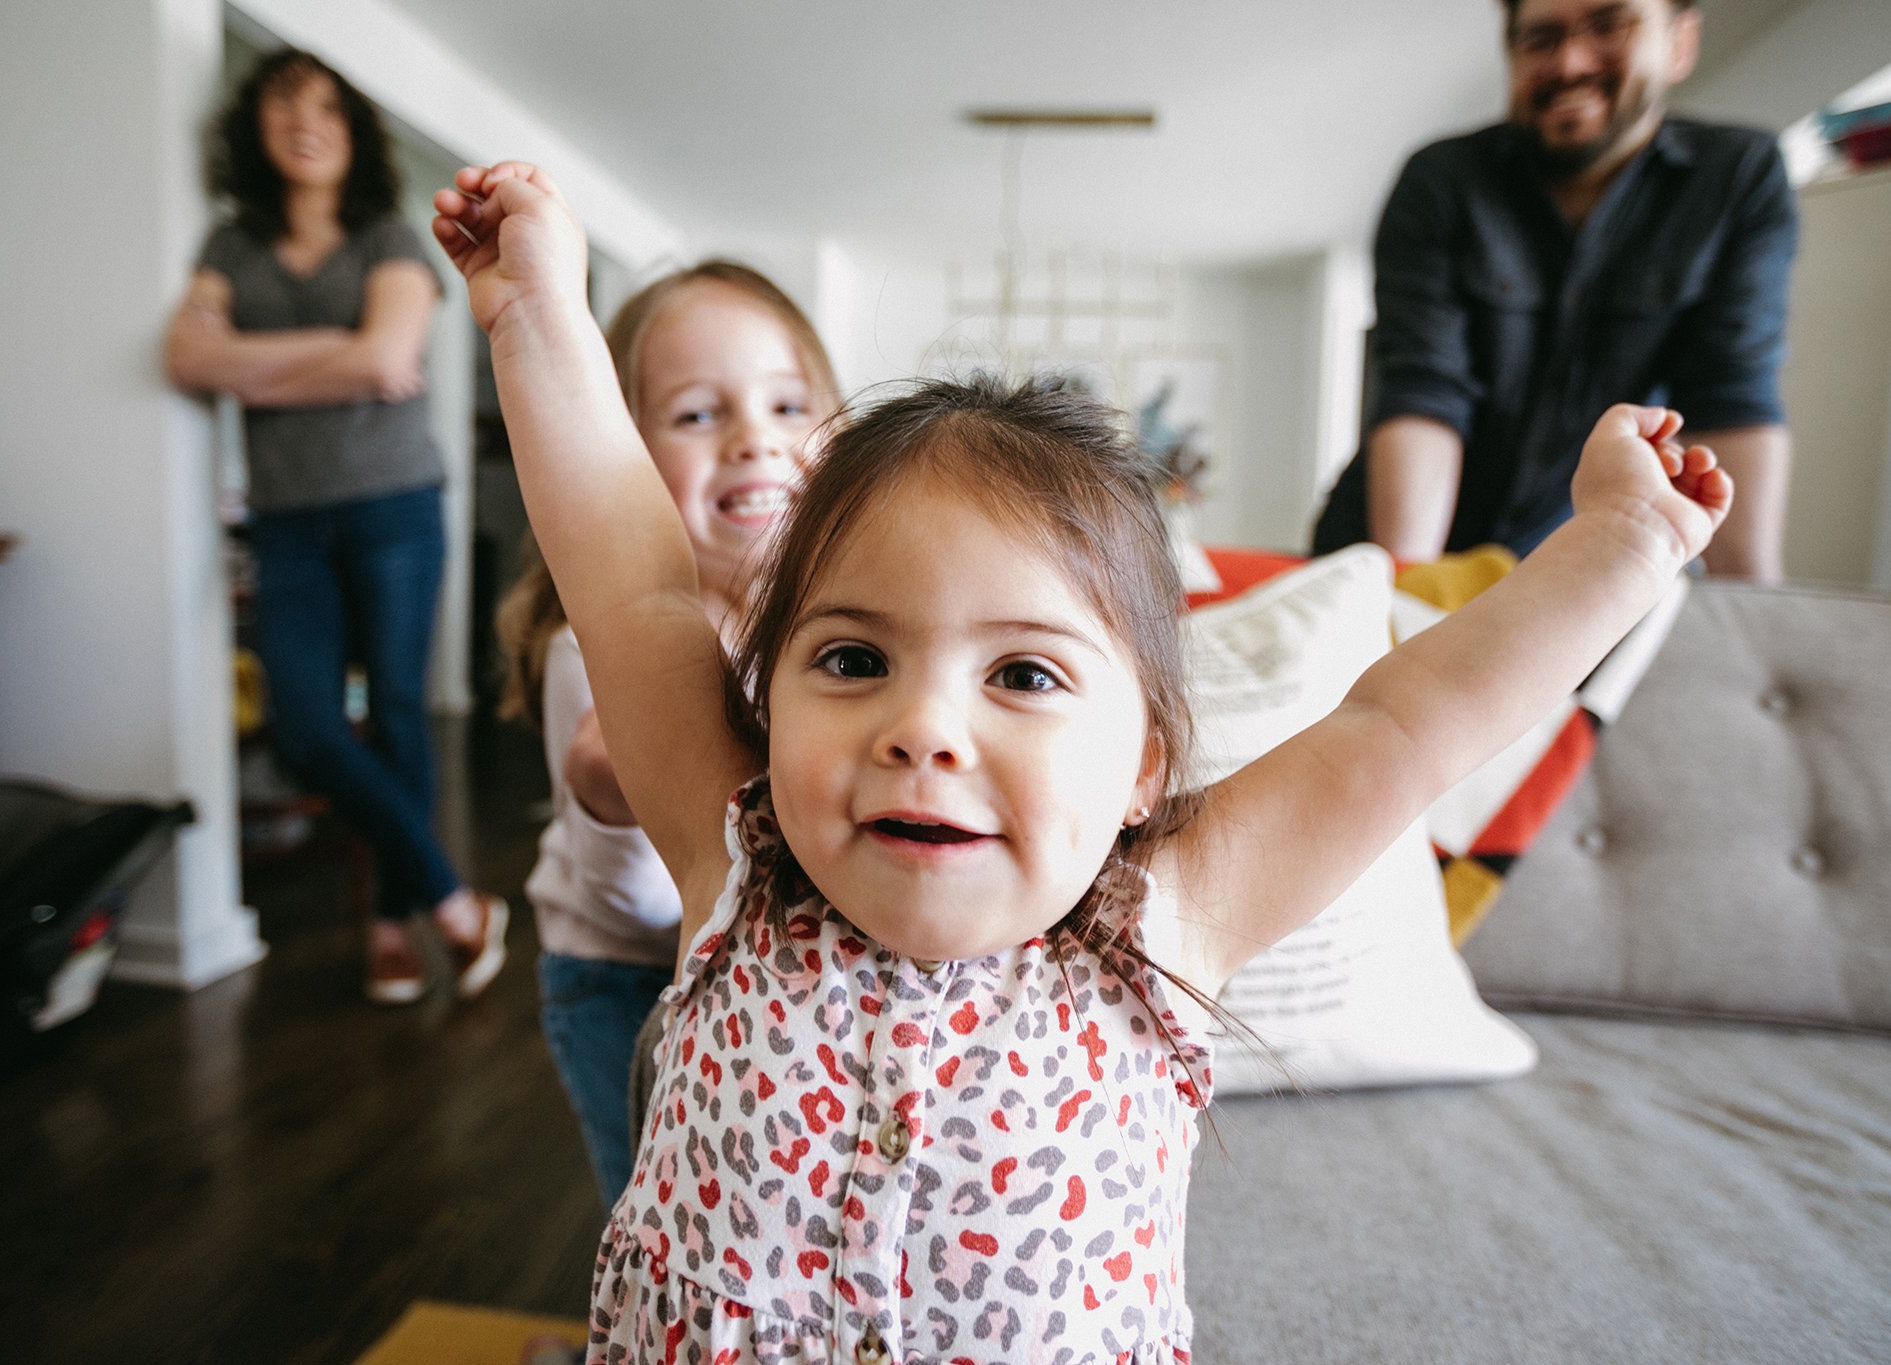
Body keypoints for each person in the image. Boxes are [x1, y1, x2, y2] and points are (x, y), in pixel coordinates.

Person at [432, 160, 1732, 1363]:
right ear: (772, 702)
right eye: (851, 660)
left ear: (1141, 768)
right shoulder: (736, 860)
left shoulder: (1170, 916)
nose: (923, 728)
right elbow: (629, 575)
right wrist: (535, 308)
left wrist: (1621, 543)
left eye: (1023, 674)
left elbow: (1402, 723)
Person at [164, 48, 505, 1005]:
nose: (303, 122)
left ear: (352, 134)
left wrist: (254, 360)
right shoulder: (231, 244)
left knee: (397, 712)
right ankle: (453, 901)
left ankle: (391, 924)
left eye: (325, 108)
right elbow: (188, 358)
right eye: (281, 106)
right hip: (286, 520)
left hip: (394, 501)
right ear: (255, 130)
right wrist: (334, 351)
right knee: (307, 728)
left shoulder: (391, 239)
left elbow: (388, 355)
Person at [495, 260, 840, 1206]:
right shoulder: (599, 654)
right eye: (698, 414)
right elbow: (646, 901)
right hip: (625, 980)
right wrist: (610, 804)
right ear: (619, 461)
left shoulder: (837, 631)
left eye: (786, 404)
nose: (753, 441)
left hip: (760, 969)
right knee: (654, 1208)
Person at [1312, 0, 1794, 580]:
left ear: (1680, 42)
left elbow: (1732, 394)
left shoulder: (1741, 176)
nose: (1569, 62)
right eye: (1540, 39)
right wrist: (1404, 590)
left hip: (1577, 571)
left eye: (1609, 25)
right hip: (1388, 544)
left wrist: (1751, 624)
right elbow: (1425, 390)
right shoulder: (1441, 180)